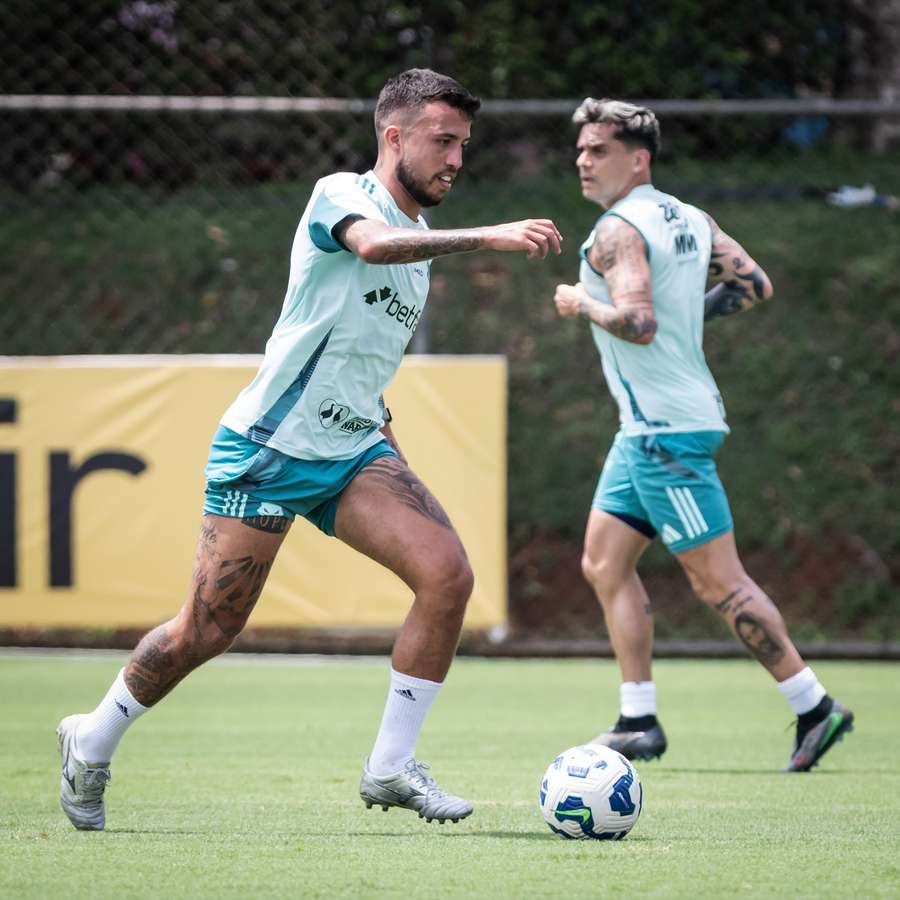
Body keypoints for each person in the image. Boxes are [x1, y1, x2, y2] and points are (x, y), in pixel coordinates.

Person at [57, 68, 562, 831]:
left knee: (447, 575)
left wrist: (388, 450)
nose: (457, 158)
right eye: (443, 141)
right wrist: (490, 237)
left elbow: (363, 357)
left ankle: (390, 768)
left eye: (464, 144)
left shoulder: (420, 241)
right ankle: (93, 737)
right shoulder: (343, 196)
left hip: (352, 449)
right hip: (267, 448)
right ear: (394, 137)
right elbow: (373, 246)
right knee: (206, 631)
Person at [552, 98, 853, 772]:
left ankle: (815, 706)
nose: (583, 159)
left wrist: (581, 304)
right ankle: (638, 719)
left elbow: (638, 323)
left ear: (639, 159)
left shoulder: (614, 232)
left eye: (599, 149)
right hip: (646, 432)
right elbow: (754, 283)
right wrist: (690, 319)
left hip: (667, 436)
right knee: (603, 562)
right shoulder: (690, 218)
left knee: (720, 582)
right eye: (581, 148)